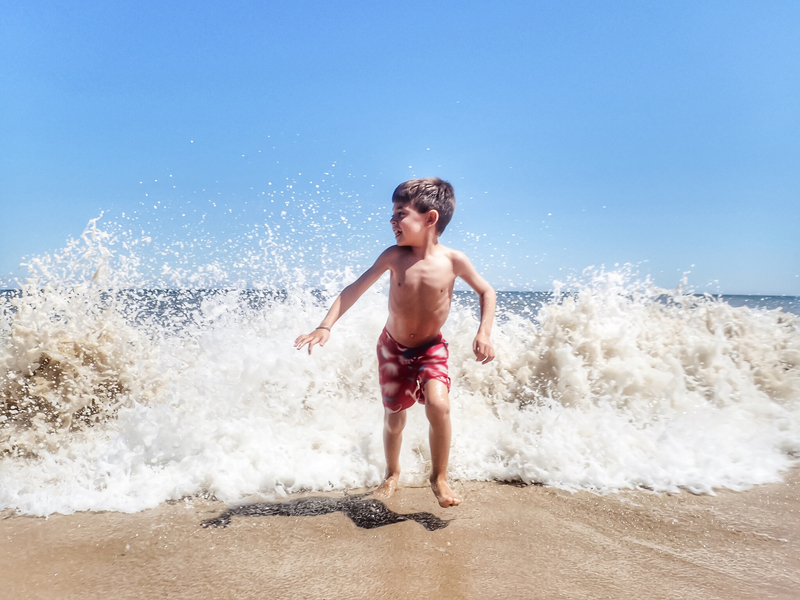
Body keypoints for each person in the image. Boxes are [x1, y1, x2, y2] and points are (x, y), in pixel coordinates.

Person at [294, 177, 496, 507]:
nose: (392, 221)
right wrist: (325, 325)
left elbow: (487, 291)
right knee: (395, 417)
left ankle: (439, 477)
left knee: (439, 404)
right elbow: (354, 289)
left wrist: (483, 332)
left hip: (431, 347)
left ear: (429, 218)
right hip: (392, 349)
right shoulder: (393, 256)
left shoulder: (454, 261)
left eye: (400, 214)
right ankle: (392, 472)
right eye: (392, 214)